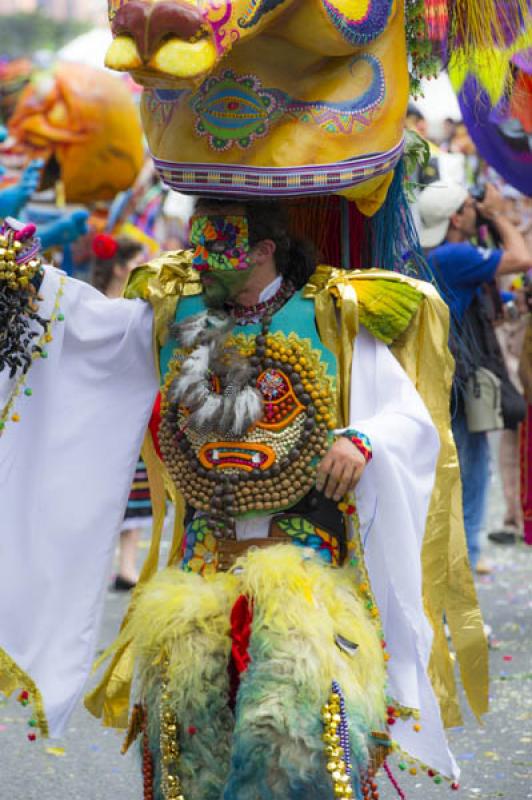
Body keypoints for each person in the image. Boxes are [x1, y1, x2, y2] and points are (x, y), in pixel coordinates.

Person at [0, 203, 485, 796]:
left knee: (291, 742)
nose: (199, 259)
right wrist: (24, 274)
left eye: (218, 246)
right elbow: (85, 327)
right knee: (189, 749)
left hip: (302, 570)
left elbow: (407, 418)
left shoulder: (331, 313)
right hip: (202, 569)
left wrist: (363, 441)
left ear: (264, 250)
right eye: (197, 243)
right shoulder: (176, 313)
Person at [417, 180, 532, 573]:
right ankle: (458, 601)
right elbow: (522, 257)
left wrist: (509, 304)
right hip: (458, 387)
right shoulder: (455, 254)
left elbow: (468, 300)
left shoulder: (427, 252)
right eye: (471, 205)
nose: (477, 209)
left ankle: (450, 594)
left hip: (439, 381)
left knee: (454, 485)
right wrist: (498, 213)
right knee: (470, 486)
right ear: (456, 216)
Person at [91, 232, 152, 590]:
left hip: (136, 408)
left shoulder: (142, 307)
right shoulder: (96, 305)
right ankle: (105, 565)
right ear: (118, 268)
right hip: (105, 413)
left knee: (139, 488)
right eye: (134, 263)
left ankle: (127, 565)